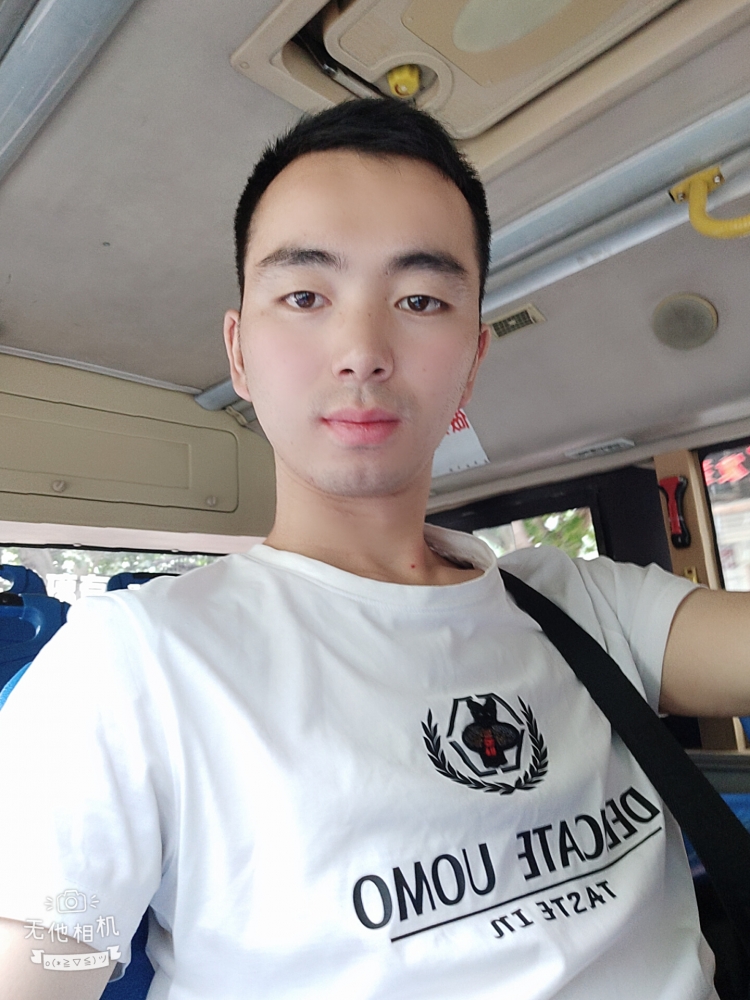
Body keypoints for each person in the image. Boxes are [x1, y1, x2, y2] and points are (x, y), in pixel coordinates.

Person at [0, 97, 748, 1000]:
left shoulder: (579, 605)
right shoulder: (132, 665)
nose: (362, 350)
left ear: (472, 360)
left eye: (420, 300)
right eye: (305, 296)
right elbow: (47, 956)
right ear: (239, 354)